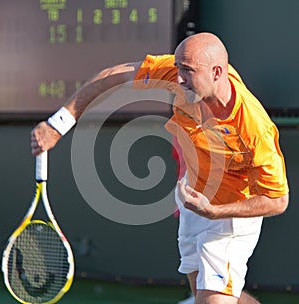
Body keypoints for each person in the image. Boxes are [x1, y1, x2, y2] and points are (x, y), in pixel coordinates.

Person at [31, 33, 289, 304]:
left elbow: (278, 201)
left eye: (187, 71)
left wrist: (215, 212)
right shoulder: (179, 75)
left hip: (230, 214)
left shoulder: (254, 129)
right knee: (208, 292)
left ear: (216, 73)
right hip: (195, 198)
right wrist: (57, 124)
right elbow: (112, 76)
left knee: (212, 300)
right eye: (178, 68)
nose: (178, 78)